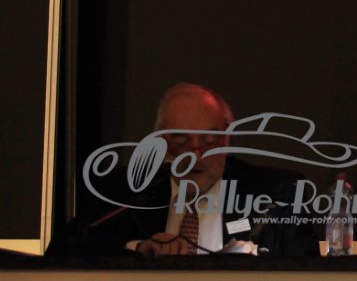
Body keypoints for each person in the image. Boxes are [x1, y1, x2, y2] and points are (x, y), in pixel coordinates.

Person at [51, 83, 312, 257]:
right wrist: (139, 248)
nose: (196, 155)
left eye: (209, 141)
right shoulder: (124, 190)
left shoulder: (279, 193)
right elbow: (64, 251)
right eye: (182, 141)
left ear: (227, 139)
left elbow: (308, 269)